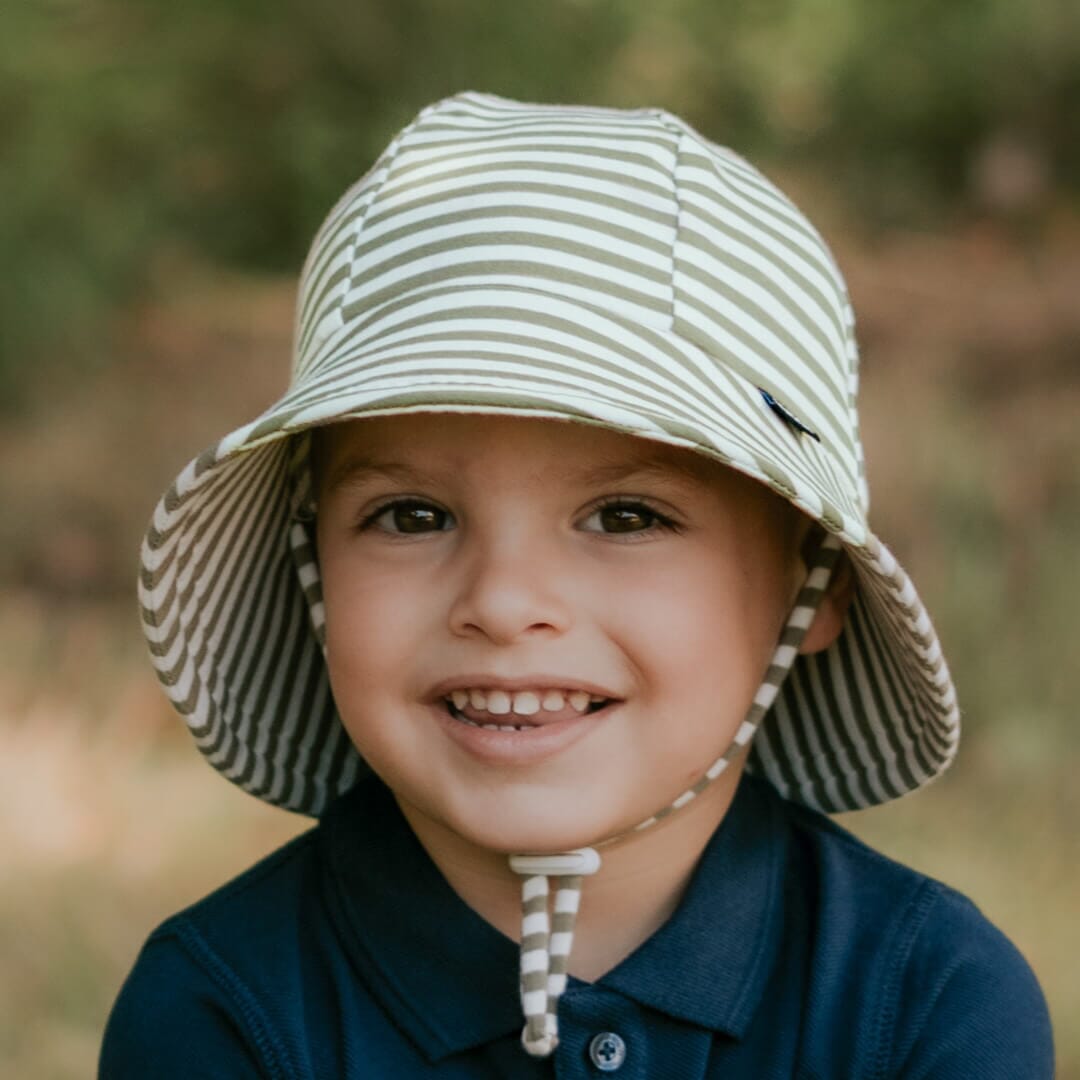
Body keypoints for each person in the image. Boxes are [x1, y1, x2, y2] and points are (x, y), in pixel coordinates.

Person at [100, 92, 1053, 1077]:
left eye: (627, 517)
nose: (506, 603)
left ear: (813, 584)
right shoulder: (222, 1013)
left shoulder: (925, 1003)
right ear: (314, 567)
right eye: (413, 515)